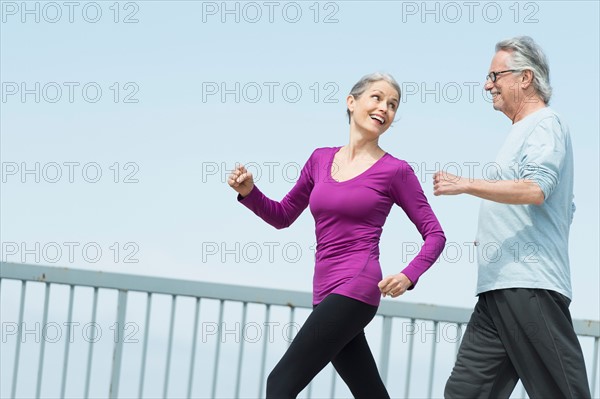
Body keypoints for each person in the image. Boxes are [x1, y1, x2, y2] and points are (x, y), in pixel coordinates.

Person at [228, 72, 446, 398]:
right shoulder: (320, 159)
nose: (384, 108)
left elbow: (435, 234)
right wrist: (250, 193)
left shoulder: (395, 171)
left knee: (280, 384)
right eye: (377, 97)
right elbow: (283, 216)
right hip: (323, 292)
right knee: (369, 391)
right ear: (351, 102)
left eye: (392, 104)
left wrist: (408, 275)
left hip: (356, 287)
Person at [435, 36, 591, 398]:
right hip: (496, 289)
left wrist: (466, 184)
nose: (488, 85)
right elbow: (561, 208)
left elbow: (537, 189)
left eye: (495, 76)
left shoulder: (545, 123)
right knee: (464, 393)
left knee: (561, 392)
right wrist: (493, 231)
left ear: (525, 77)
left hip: (529, 284)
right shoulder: (519, 131)